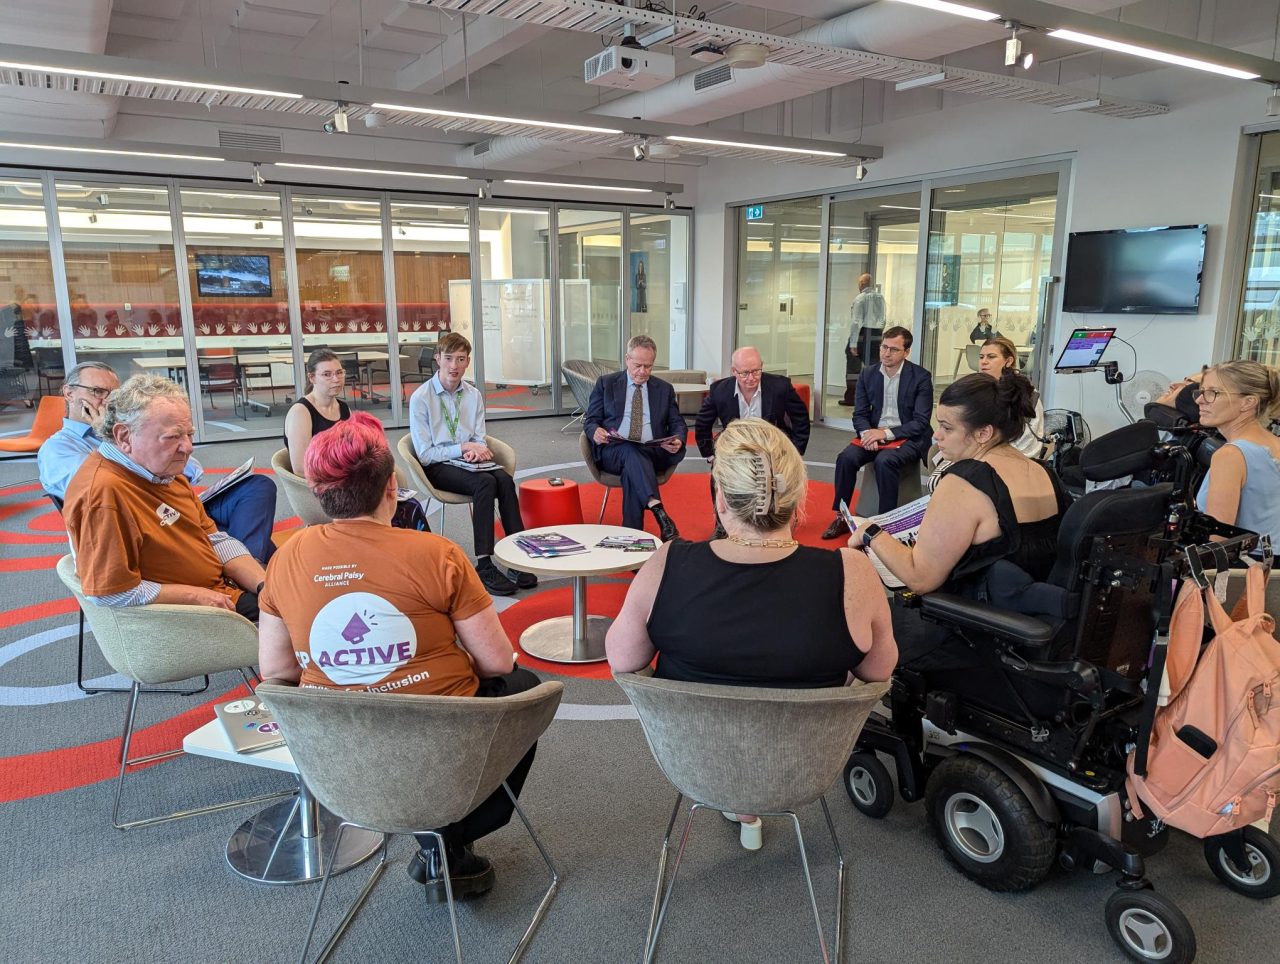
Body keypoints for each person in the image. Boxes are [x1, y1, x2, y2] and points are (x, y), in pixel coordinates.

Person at [257, 412, 542, 903]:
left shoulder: (285, 560)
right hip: (442, 752)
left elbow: (277, 672)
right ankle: (452, 839)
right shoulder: (438, 554)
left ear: (320, 493)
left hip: (342, 763)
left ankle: (437, 840)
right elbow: (497, 664)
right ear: (392, 487)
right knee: (523, 690)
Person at [607, 418, 897, 850]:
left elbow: (623, 660)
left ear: (721, 499)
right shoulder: (851, 573)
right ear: (799, 497)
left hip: (697, 764)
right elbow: (879, 670)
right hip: (802, 768)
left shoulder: (669, 563)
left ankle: (736, 803)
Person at [851, 370, 1068, 666]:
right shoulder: (1045, 472)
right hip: (1027, 629)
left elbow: (921, 577)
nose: (936, 436)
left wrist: (870, 532)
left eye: (946, 428)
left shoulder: (966, 480)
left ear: (983, 433)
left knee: (853, 624)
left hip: (968, 633)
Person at [63, 375, 267, 619]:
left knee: (303, 586)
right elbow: (108, 593)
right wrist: (196, 595)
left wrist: (264, 585)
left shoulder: (163, 471)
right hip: (192, 612)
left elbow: (216, 540)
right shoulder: (103, 495)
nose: (188, 447)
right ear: (124, 437)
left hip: (224, 587)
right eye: (172, 437)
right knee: (302, 617)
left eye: (189, 434)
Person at [39, 361, 278, 562]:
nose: (108, 401)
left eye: (114, 394)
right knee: (256, 540)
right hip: (144, 521)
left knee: (258, 487)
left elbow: (192, 468)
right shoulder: (58, 448)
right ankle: (249, 570)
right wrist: (105, 432)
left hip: (179, 502)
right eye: (98, 392)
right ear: (69, 393)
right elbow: (100, 491)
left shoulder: (136, 426)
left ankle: (246, 567)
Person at [409, 332, 535, 596]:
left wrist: (477, 450)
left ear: (467, 363)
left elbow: (478, 436)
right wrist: (463, 448)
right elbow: (424, 454)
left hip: (468, 461)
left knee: (503, 479)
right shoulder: (422, 398)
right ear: (437, 360)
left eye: (461, 359)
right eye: (448, 358)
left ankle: (516, 554)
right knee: (485, 484)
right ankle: (485, 563)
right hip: (438, 464)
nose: (454, 366)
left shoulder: (473, 394)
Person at [822, 326, 934, 538]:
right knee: (845, 458)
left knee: (885, 461)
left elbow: (920, 423)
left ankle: (886, 523)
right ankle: (841, 516)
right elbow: (860, 414)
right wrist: (867, 434)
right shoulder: (868, 374)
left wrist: (885, 434)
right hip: (872, 435)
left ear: (906, 352)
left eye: (893, 349)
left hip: (907, 437)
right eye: (884, 347)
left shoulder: (920, 377)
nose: (886, 353)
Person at [695, 346, 809, 537]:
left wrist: (795, 453)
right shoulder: (719, 390)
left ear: (762, 367)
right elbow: (702, 423)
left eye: (756, 371)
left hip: (772, 446)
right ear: (734, 372)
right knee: (717, 474)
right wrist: (710, 454)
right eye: (745, 373)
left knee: (782, 475)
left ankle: (781, 519)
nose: (751, 378)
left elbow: (801, 420)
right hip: (736, 449)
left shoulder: (780, 386)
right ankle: (721, 525)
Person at [584, 334, 686, 542]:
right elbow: (590, 420)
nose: (643, 372)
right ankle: (658, 511)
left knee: (633, 467)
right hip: (613, 450)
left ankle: (633, 538)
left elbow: (677, 422)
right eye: (638, 365)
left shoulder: (664, 389)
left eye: (648, 366)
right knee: (630, 451)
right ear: (627, 359)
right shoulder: (606, 383)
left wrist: (679, 440)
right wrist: (595, 431)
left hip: (651, 450)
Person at [1193, 360, 1280, 550]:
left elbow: (1218, 540)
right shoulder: (1275, 443)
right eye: (1201, 391)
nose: (1200, 400)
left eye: (1212, 393)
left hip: (1247, 571)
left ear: (1248, 402)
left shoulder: (1231, 455)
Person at [283, 349, 350, 476]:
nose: (336, 379)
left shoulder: (344, 408)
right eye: (327, 374)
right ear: (312, 377)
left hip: (343, 474)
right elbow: (301, 468)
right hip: (321, 482)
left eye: (339, 372)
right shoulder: (300, 412)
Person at [976, 337, 1043, 457]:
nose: (983, 362)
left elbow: (1027, 443)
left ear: (1008, 361)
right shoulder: (977, 388)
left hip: (1015, 459)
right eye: (981, 357)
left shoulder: (1024, 393)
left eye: (991, 357)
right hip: (981, 453)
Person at [839, 273, 887, 404]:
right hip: (876, 334)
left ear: (861, 284)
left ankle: (851, 398)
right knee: (874, 367)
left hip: (862, 333)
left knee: (853, 368)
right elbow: (883, 319)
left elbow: (856, 321)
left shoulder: (860, 298)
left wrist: (853, 343)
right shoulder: (880, 298)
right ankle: (875, 397)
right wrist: (879, 334)